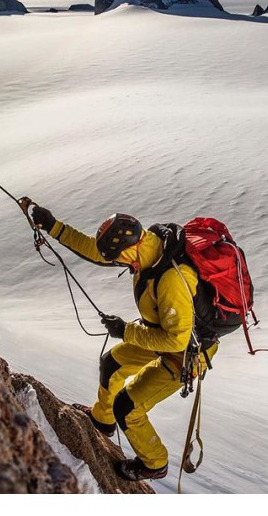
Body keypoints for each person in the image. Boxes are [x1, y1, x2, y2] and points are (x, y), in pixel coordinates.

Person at [31, 205, 218, 482]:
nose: (117, 264)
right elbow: (98, 252)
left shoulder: (170, 280)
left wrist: (125, 331)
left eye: (119, 259)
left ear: (129, 249)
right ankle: (102, 420)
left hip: (186, 353)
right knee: (111, 364)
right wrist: (53, 226)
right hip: (158, 333)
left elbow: (175, 338)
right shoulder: (146, 245)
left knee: (128, 408)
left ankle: (154, 463)